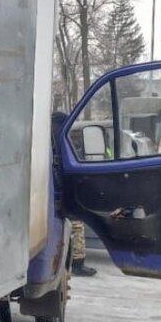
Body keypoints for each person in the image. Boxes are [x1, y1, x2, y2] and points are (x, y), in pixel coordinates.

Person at [51, 113, 97, 277]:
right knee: (76, 225)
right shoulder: (61, 139)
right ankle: (77, 262)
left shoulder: (50, 139)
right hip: (59, 191)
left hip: (53, 191)